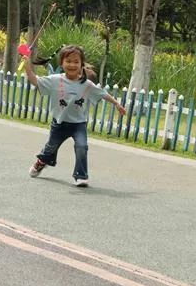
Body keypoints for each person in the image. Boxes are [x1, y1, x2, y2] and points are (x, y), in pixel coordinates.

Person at [23, 44, 125, 187]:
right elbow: (34, 80)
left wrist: (116, 104)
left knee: (82, 146)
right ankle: (41, 162)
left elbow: (102, 94)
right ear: (61, 63)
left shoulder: (87, 84)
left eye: (76, 62)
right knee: (50, 148)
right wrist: (27, 65)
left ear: (81, 64)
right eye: (68, 61)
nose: (72, 65)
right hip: (59, 123)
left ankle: (81, 176)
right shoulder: (54, 80)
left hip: (78, 124)